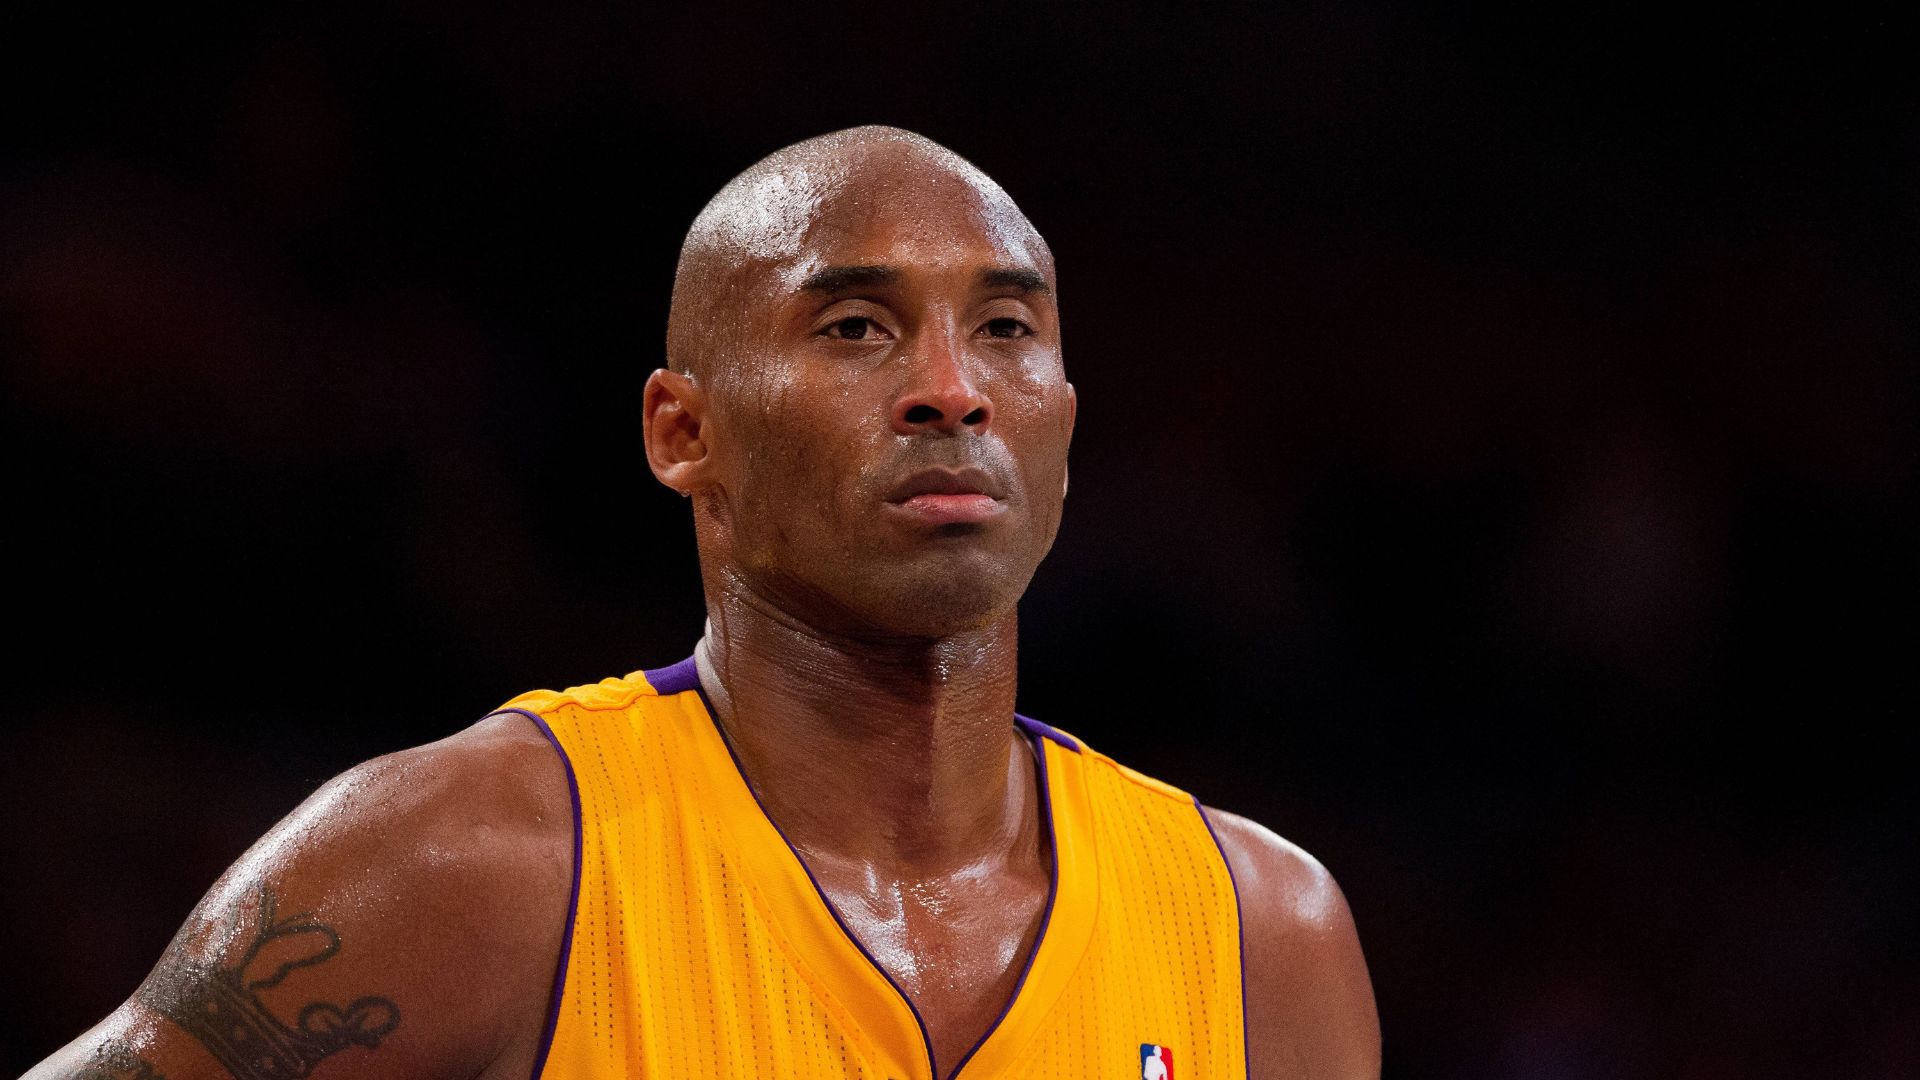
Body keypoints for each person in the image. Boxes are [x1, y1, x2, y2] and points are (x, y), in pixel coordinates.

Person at [27, 126, 1380, 1080]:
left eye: (1006, 330)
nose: (950, 388)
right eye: (856, 326)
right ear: (685, 434)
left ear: (1061, 431)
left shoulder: (1261, 932)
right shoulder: (475, 863)